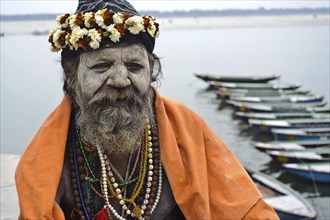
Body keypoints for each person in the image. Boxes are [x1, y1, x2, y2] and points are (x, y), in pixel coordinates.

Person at [15, 0, 279, 219]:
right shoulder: (48, 156)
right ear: (71, 75)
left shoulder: (187, 129)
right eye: (100, 67)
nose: (120, 80)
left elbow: (245, 209)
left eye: (135, 67)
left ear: (152, 71)